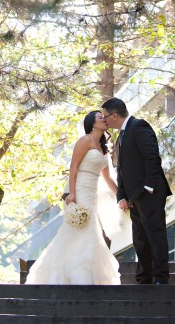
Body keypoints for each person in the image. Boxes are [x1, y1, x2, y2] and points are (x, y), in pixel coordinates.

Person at [26, 111, 122, 285]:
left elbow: (107, 178)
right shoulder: (85, 141)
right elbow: (74, 166)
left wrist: (121, 195)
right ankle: (69, 274)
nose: (105, 119)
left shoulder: (103, 148)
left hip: (93, 194)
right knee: (78, 229)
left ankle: (86, 274)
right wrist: (72, 192)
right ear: (92, 123)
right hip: (80, 189)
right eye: (101, 117)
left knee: (91, 230)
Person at [103, 97, 172, 284]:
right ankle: (144, 277)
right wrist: (121, 196)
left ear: (114, 115)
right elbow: (122, 171)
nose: (104, 121)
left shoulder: (139, 126)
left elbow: (152, 157)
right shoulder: (121, 136)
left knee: (155, 235)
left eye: (105, 117)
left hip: (150, 193)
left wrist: (148, 187)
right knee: (140, 239)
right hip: (134, 197)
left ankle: (160, 278)